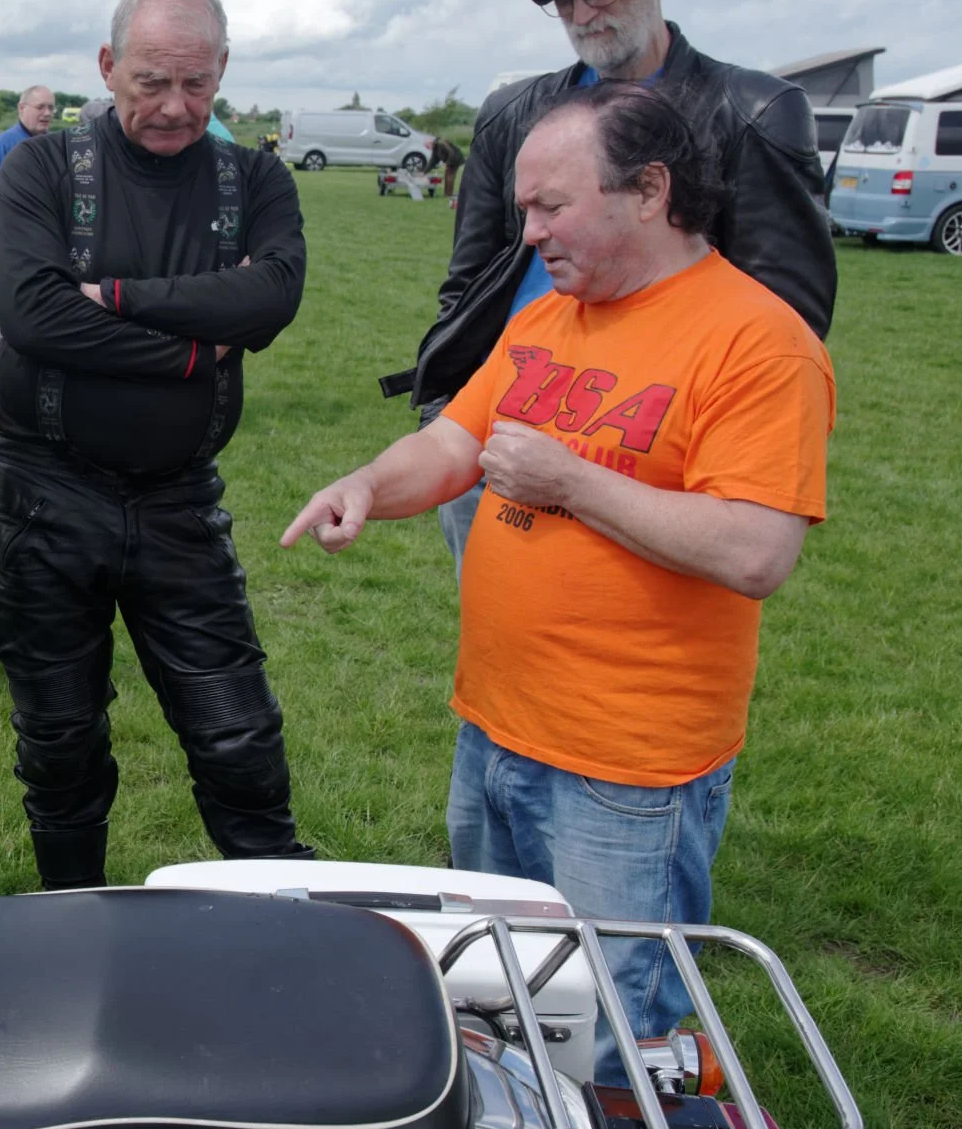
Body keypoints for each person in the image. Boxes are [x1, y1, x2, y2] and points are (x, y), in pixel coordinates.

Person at [284, 84, 833, 1075]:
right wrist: (366, 483)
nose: (525, 230)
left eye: (549, 206)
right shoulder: (552, 319)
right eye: (522, 206)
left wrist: (572, 482)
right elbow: (458, 440)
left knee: (614, 1021)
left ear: (650, 191)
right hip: (493, 730)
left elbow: (756, 550)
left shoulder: (755, 341)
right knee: (507, 991)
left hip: (625, 770)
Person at [391, 0, 835, 564]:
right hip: (506, 428)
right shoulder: (513, 113)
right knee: (505, 628)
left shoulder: (753, 110)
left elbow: (787, 312)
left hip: (646, 452)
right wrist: (457, 411)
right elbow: (472, 278)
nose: (582, 12)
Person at [0, 0, 312, 891]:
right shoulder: (43, 168)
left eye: (197, 86)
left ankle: (287, 928)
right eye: (151, 83)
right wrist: (193, 352)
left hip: (178, 499)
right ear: (107, 66)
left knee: (237, 731)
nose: (175, 107)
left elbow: (273, 294)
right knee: (59, 740)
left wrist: (121, 298)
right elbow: (38, 316)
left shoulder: (255, 178)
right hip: (44, 495)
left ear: (223, 73)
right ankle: (73, 917)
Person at [0, 85, 56, 359]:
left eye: (51, 108)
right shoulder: (7, 143)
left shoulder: (50, 143)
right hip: (9, 243)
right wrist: (7, 232)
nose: (47, 113)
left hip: (42, 244)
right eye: (40, 107)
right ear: (22, 109)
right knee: (6, 312)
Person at [428, 131, 465, 202]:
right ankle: (447, 194)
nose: (428, 148)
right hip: (451, 159)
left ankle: (448, 194)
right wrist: (424, 172)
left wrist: (448, 163)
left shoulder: (441, 144)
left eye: (428, 146)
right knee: (447, 175)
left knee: (450, 176)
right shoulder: (435, 148)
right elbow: (432, 161)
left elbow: (451, 153)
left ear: (431, 143)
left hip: (455, 159)